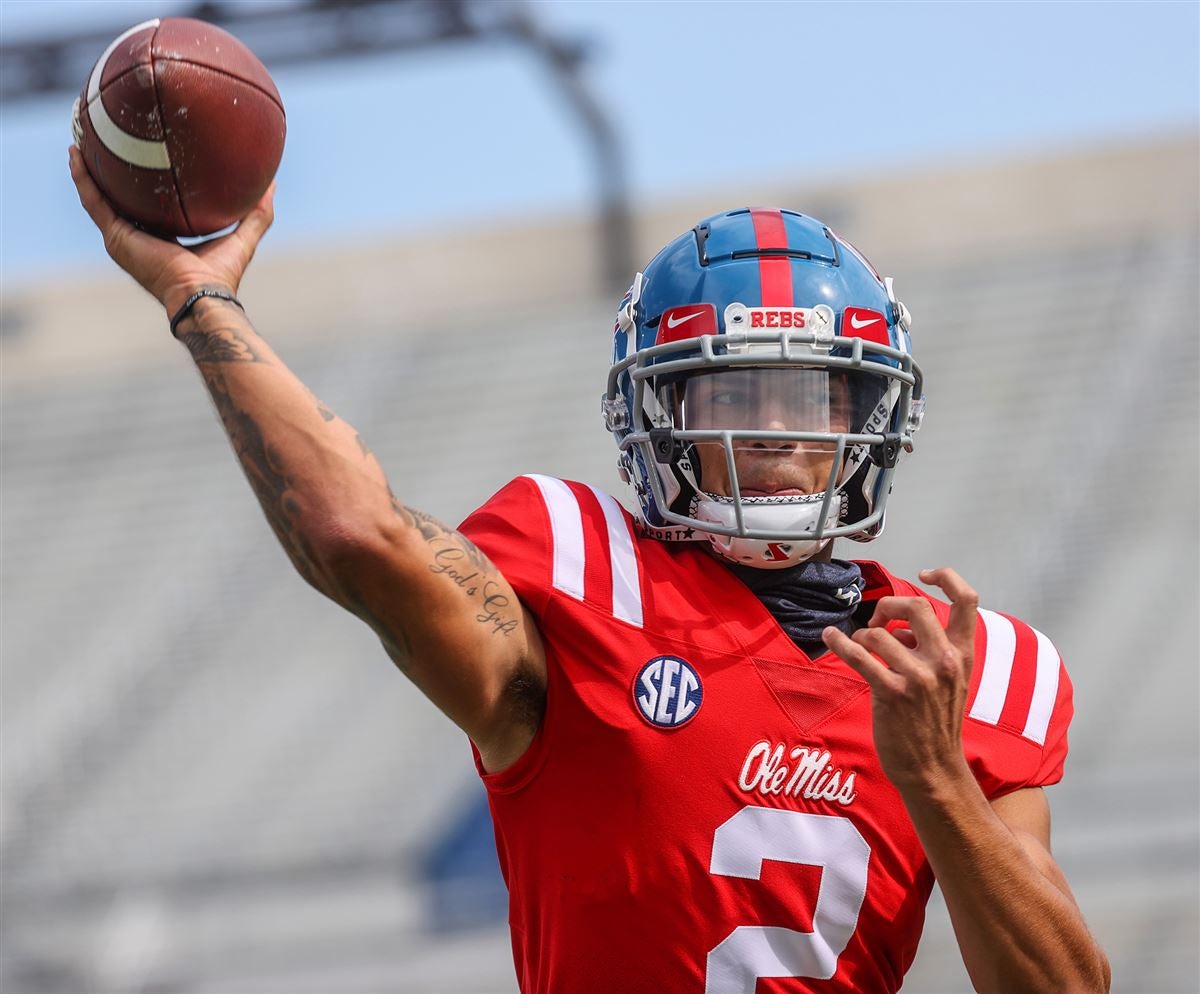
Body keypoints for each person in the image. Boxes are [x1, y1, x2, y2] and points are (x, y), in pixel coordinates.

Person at [69, 149, 1110, 994]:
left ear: (870, 417)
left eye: (812, 396)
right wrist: (203, 299)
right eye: (734, 395)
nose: (780, 433)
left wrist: (934, 781)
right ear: (661, 415)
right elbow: (355, 535)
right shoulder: (581, 570)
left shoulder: (970, 667)